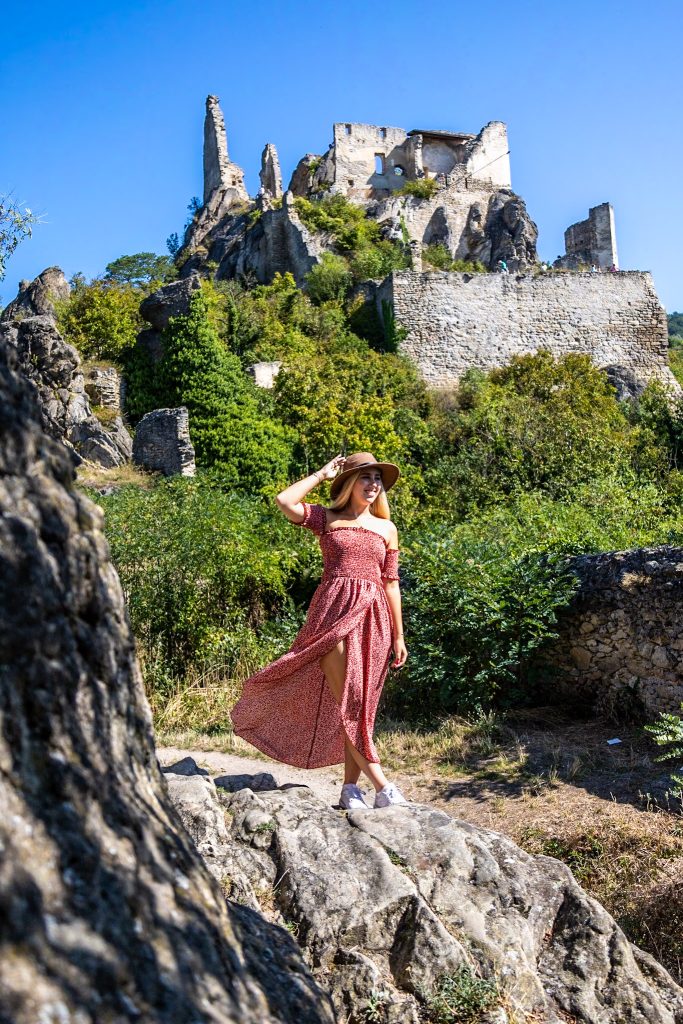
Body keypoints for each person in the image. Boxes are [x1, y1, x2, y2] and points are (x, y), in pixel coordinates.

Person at [231, 452, 409, 809]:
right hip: (332, 616)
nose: (373, 484)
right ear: (348, 483)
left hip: (374, 620)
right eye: (365, 477)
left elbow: (391, 584)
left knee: (362, 707)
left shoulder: (387, 529)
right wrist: (321, 474)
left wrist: (399, 635)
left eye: (377, 478)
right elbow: (285, 501)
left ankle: (349, 790)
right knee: (351, 700)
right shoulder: (327, 519)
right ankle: (384, 787)